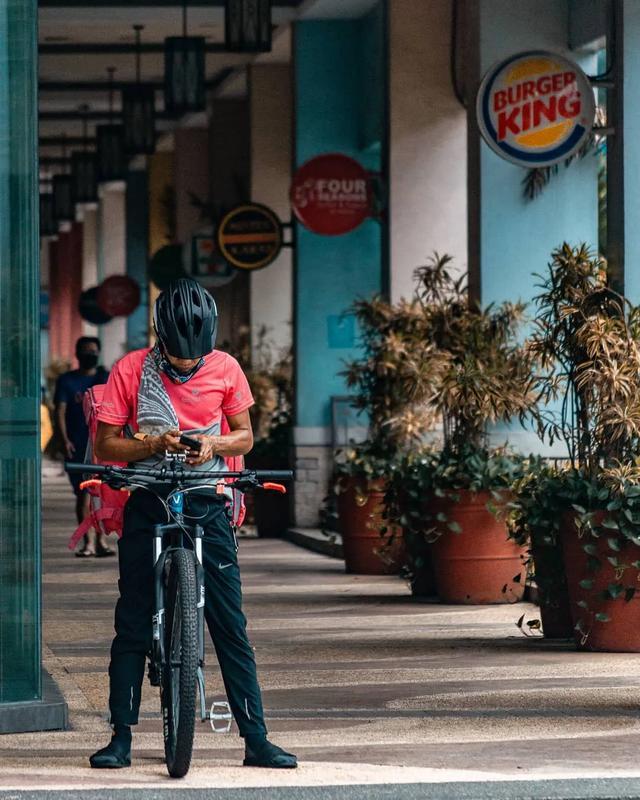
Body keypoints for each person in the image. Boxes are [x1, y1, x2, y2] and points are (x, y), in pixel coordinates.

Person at [88, 278, 297, 770]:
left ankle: (257, 739)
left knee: (230, 624)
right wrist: (151, 444)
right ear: (159, 337)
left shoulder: (226, 368)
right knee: (133, 620)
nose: (186, 367)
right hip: (148, 494)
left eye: (194, 360)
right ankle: (120, 737)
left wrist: (215, 446)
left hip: (207, 498)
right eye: (178, 359)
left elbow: (244, 436)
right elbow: (106, 446)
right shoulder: (130, 370)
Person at [54, 336, 113, 557]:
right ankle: (87, 542)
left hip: (102, 447)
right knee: (84, 495)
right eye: (86, 351)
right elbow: (59, 410)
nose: (90, 354)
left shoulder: (104, 377)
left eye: (94, 350)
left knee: (102, 495)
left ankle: (100, 541)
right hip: (77, 446)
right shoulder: (66, 381)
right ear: (78, 354)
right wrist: (64, 439)